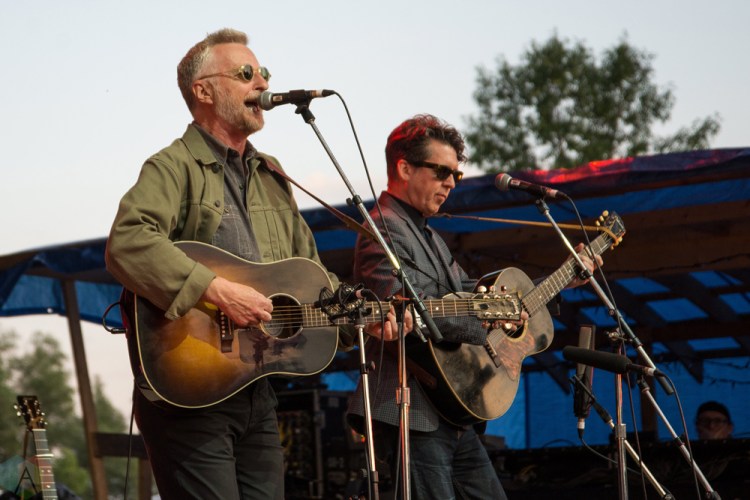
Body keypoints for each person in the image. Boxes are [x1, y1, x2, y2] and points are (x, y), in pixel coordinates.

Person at [105, 28, 409, 499]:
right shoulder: (172, 166)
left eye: (264, 73)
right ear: (203, 91)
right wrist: (216, 290)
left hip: (256, 391)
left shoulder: (272, 174)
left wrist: (360, 319)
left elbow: (310, 277)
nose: (262, 85)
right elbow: (127, 242)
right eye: (246, 74)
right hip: (189, 391)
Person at [347, 114, 602, 499]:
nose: (451, 183)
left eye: (456, 175)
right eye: (441, 172)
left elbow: (474, 291)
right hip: (412, 408)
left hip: (451, 408)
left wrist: (565, 277)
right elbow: (404, 309)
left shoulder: (427, 234)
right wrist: (486, 316)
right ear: (404, 167)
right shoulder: (382, 227)